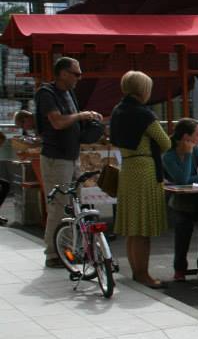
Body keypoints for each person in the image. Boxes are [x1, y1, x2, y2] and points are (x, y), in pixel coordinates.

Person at [34, 57, 103, 268]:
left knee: (74, 205)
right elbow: (57, 122)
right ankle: (53, 254)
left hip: (72, 157)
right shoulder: (47, 93)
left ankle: (70, 250)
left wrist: (88, 122)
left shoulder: (69, 93)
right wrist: (81, 116)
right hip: (56, 158)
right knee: (59, 206)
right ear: (63, 73)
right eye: (76, 74)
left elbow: (72, 122)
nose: (79, 78)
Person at [110, 71, 170, 288]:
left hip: (127, 167)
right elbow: (165, 142)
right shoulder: (144, 114)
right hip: (145, 169)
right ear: (143, 89)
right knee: (144, 228)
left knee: (133, 227)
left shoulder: (117, 111)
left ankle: (137, 272)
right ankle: (143, 274)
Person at [163, 118, 198, 282]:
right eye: (197, 134)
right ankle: (180, 268)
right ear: (186, 136)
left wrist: (187, 180)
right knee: (182, 231)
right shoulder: (168, 156)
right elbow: (181, 179)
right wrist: (187, 155)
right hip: (181, 201)